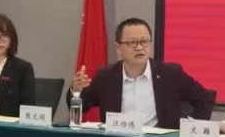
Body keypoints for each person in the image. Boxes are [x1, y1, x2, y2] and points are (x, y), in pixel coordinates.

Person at [70, 18, 213, 129]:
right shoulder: (106, 76)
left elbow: (204, 98)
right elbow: (83, 105)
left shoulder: (170, 74)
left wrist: (190, 128)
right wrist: (76, 91)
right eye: (132, 43)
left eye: (144, 41)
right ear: (118, 48)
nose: (139, 48)